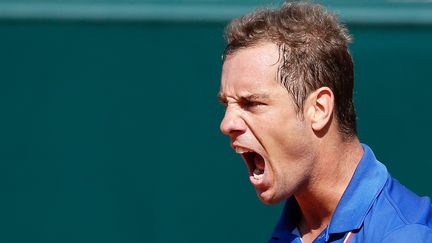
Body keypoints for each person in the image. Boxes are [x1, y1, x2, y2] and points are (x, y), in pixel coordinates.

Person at [218, 1, 432, 242]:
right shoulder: (291, 229)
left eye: (252, 103)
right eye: (227, 104)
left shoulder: (407, 235)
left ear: (319, 109)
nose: (226, 124)